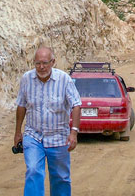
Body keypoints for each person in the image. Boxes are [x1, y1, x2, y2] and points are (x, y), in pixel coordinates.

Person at [14, 46, 82, 196]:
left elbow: (76, 105)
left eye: (45, 63)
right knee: (33, 171)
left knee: (61, 177)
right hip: (34, 136)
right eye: (37, 63)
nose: (41, 67)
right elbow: (21, 105)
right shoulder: (27, 79)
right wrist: (18, 132)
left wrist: (74, 133)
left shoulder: (64, 79)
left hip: (58, 137)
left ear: (53, 62)